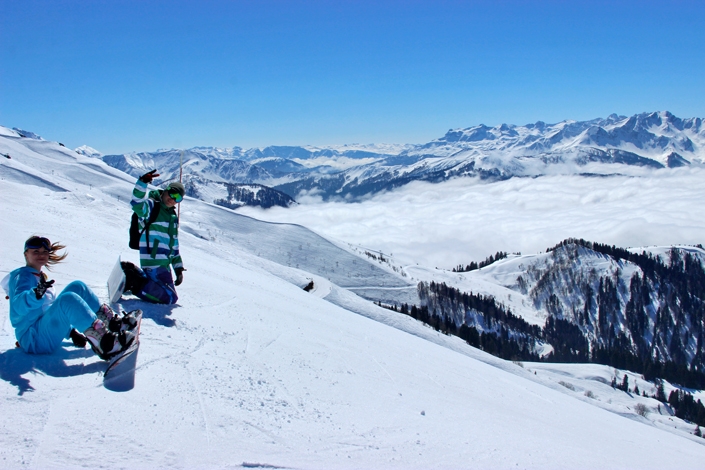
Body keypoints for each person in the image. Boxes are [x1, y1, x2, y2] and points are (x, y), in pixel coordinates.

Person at [2, 236, 137, 359]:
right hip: (34, 339)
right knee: (67, 299)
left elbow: (47, 311)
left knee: (78, 287)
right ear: (26, 254)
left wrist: (71, 333)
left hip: (40, 331)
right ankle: (106, 345)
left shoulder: (36, 275)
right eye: (35, 251)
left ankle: (113, 325)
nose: (41, 255)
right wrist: (33, 295)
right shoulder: (22, 277)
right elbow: (17, 306)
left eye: (44, 252)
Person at [125, 169, 185, 304]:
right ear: (166, 190)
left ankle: (132, 273)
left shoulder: (172, 217)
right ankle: (132, 282)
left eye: (178, 198)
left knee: (168, 294)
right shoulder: (153, 206)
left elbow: (173, 245)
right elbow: (137, 204)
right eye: (172, 193)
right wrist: (142, 183)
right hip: (153, 262)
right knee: (170, 298)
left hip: (164, 265)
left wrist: (178, 268)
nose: (173, 199)